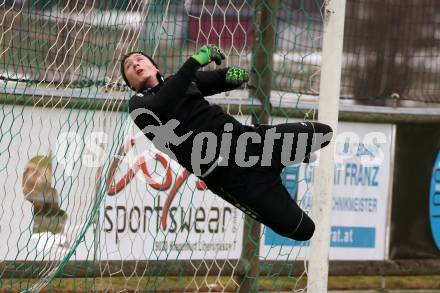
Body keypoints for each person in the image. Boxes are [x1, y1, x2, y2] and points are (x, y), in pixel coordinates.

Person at [121, 45, 333, 241]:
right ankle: (289, 159)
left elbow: (219, 78)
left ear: (154, 65)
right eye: (129, 66)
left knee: (324, 133)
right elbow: (164, 102)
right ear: (130, 83)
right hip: (233, 177)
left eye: (139, 59)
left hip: (252, 143)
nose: (136, 64)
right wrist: (194, 61)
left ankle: (291, 154)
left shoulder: (183, 81)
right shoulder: (139, 105)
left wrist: (235, 76)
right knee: (303, 230)